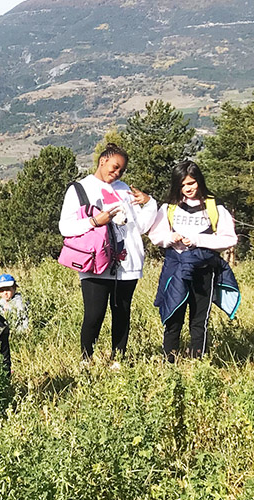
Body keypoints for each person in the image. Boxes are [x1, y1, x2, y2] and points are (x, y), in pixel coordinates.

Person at [58, 143, 157, 366]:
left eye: (121, 170)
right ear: (102, 161)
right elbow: (65, 227)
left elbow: (141, 226)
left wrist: (150, 204)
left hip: (127, 262)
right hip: (94, 263)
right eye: (114, 167)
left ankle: (118, 360)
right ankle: (86, 360)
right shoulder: (79, 189)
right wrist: (95, 221)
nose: (117, 173)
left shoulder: (125, 190)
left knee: (122, 313)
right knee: (94, 315)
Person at [149, 160, 240, 362]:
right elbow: (156, 236)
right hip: (175, 268)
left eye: (191, 183)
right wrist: (170, 238)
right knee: (173, 316)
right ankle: (169, 360)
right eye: (183, 185)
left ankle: (197, 361)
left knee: (199, 318)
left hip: (204, 269)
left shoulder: (215, 207)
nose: (188, 189)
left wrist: (199, 240)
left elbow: (229, 239)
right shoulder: (169, 207)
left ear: (199, 181)